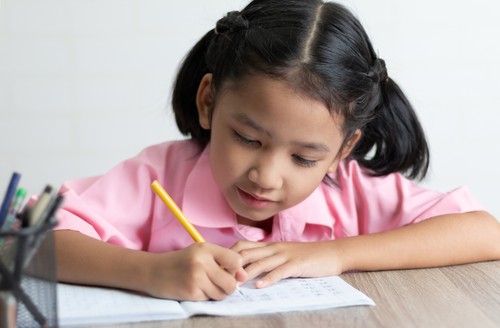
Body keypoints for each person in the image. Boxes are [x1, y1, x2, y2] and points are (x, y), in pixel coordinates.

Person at [53, 0, 500, 301]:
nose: (266, 176)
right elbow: (27, 246)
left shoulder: (349, 189)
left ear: (345, 149)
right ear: (208, 101)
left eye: (304, 158)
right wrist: (150, 273)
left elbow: (485, 232)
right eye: (248, 139)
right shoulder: (158, 175)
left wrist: (336, 253)